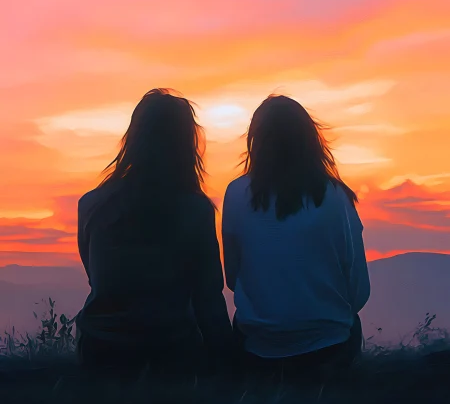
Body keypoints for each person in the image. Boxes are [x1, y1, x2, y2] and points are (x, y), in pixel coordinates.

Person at [77, 88, 232, 378]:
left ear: (133, 139)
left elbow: (97, 278)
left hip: (100, 350)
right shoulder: (195, 210)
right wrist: (229, 364)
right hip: (169, 352)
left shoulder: (91, 205)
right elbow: (208, 299)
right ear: (186, 144)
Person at [222, 94, 370, 385]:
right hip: (329, 346)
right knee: (350, 324)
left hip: (259, 345)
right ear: (311, 141)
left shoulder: (236, 193)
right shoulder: (338, 197)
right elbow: (358, 290)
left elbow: (232, 278)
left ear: (256, 141)